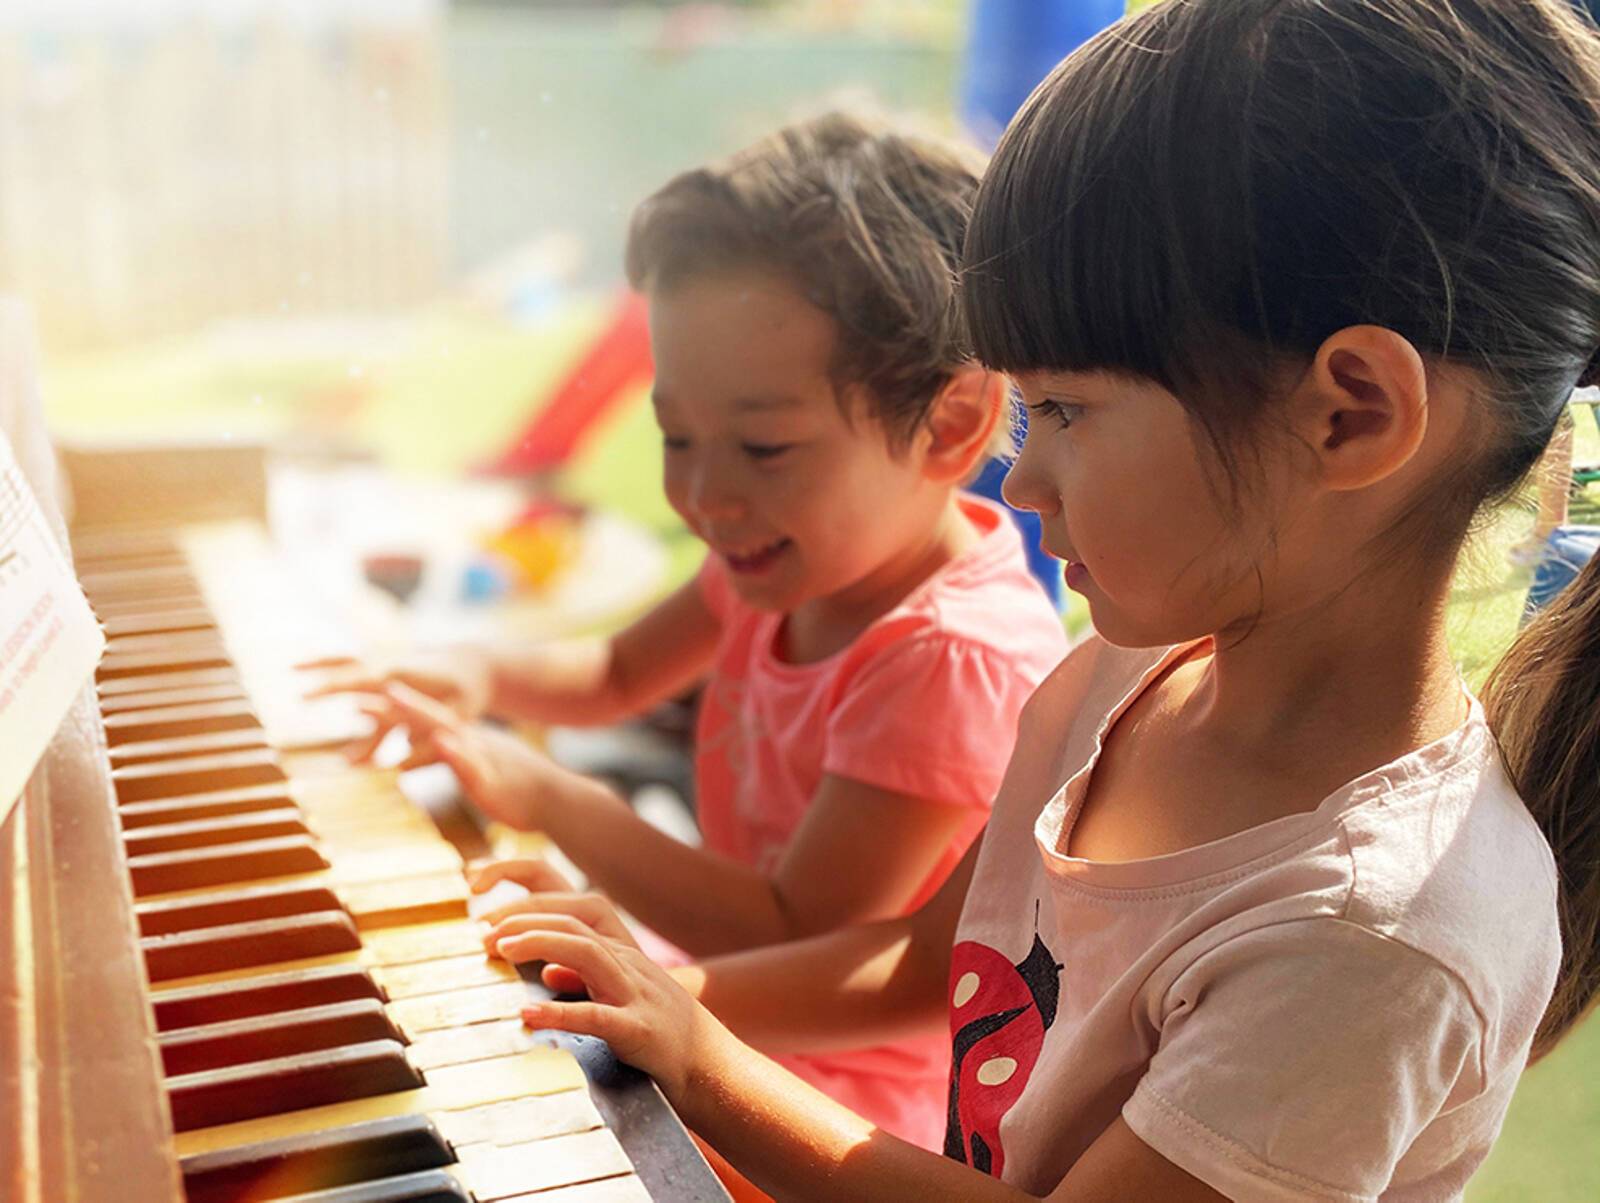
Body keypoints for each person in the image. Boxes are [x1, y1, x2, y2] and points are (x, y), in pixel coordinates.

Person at [467, 2, 1600, 1198]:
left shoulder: (1376, 938)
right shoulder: (1123, 679)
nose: (1022, 473)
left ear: (1351, 411)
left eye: (1063, 409)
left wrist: (701, 1062)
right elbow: (920, 967)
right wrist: (652, 997)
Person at [304, 113, 1068, 1149]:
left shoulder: (947, 656)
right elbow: (613, 670)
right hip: (720, 1016)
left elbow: (804, 931)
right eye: (676, 435)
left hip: (817, 1108)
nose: (703, 495)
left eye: (762, 445)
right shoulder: (786, 555)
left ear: (949, 424)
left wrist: (551, 801)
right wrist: (473, 673)